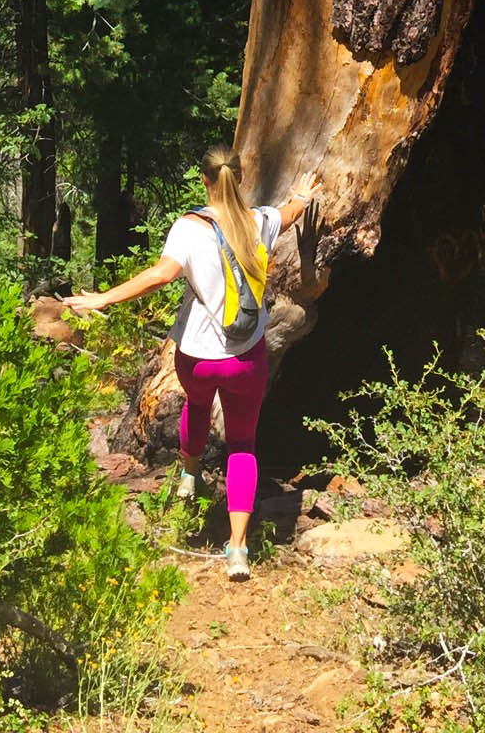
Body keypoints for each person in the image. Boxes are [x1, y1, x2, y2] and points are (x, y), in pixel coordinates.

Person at [66, 144, 317, 580]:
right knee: (242, 446)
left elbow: (160, 274)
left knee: (197, 407)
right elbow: (290, 212)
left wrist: (102, 298)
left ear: (205, 181)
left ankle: (189, 474)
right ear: (239, 179)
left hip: (197, 358)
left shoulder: (189, 227)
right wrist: (303, 194)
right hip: (246, 359)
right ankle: (237, 550)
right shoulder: (259, 221)